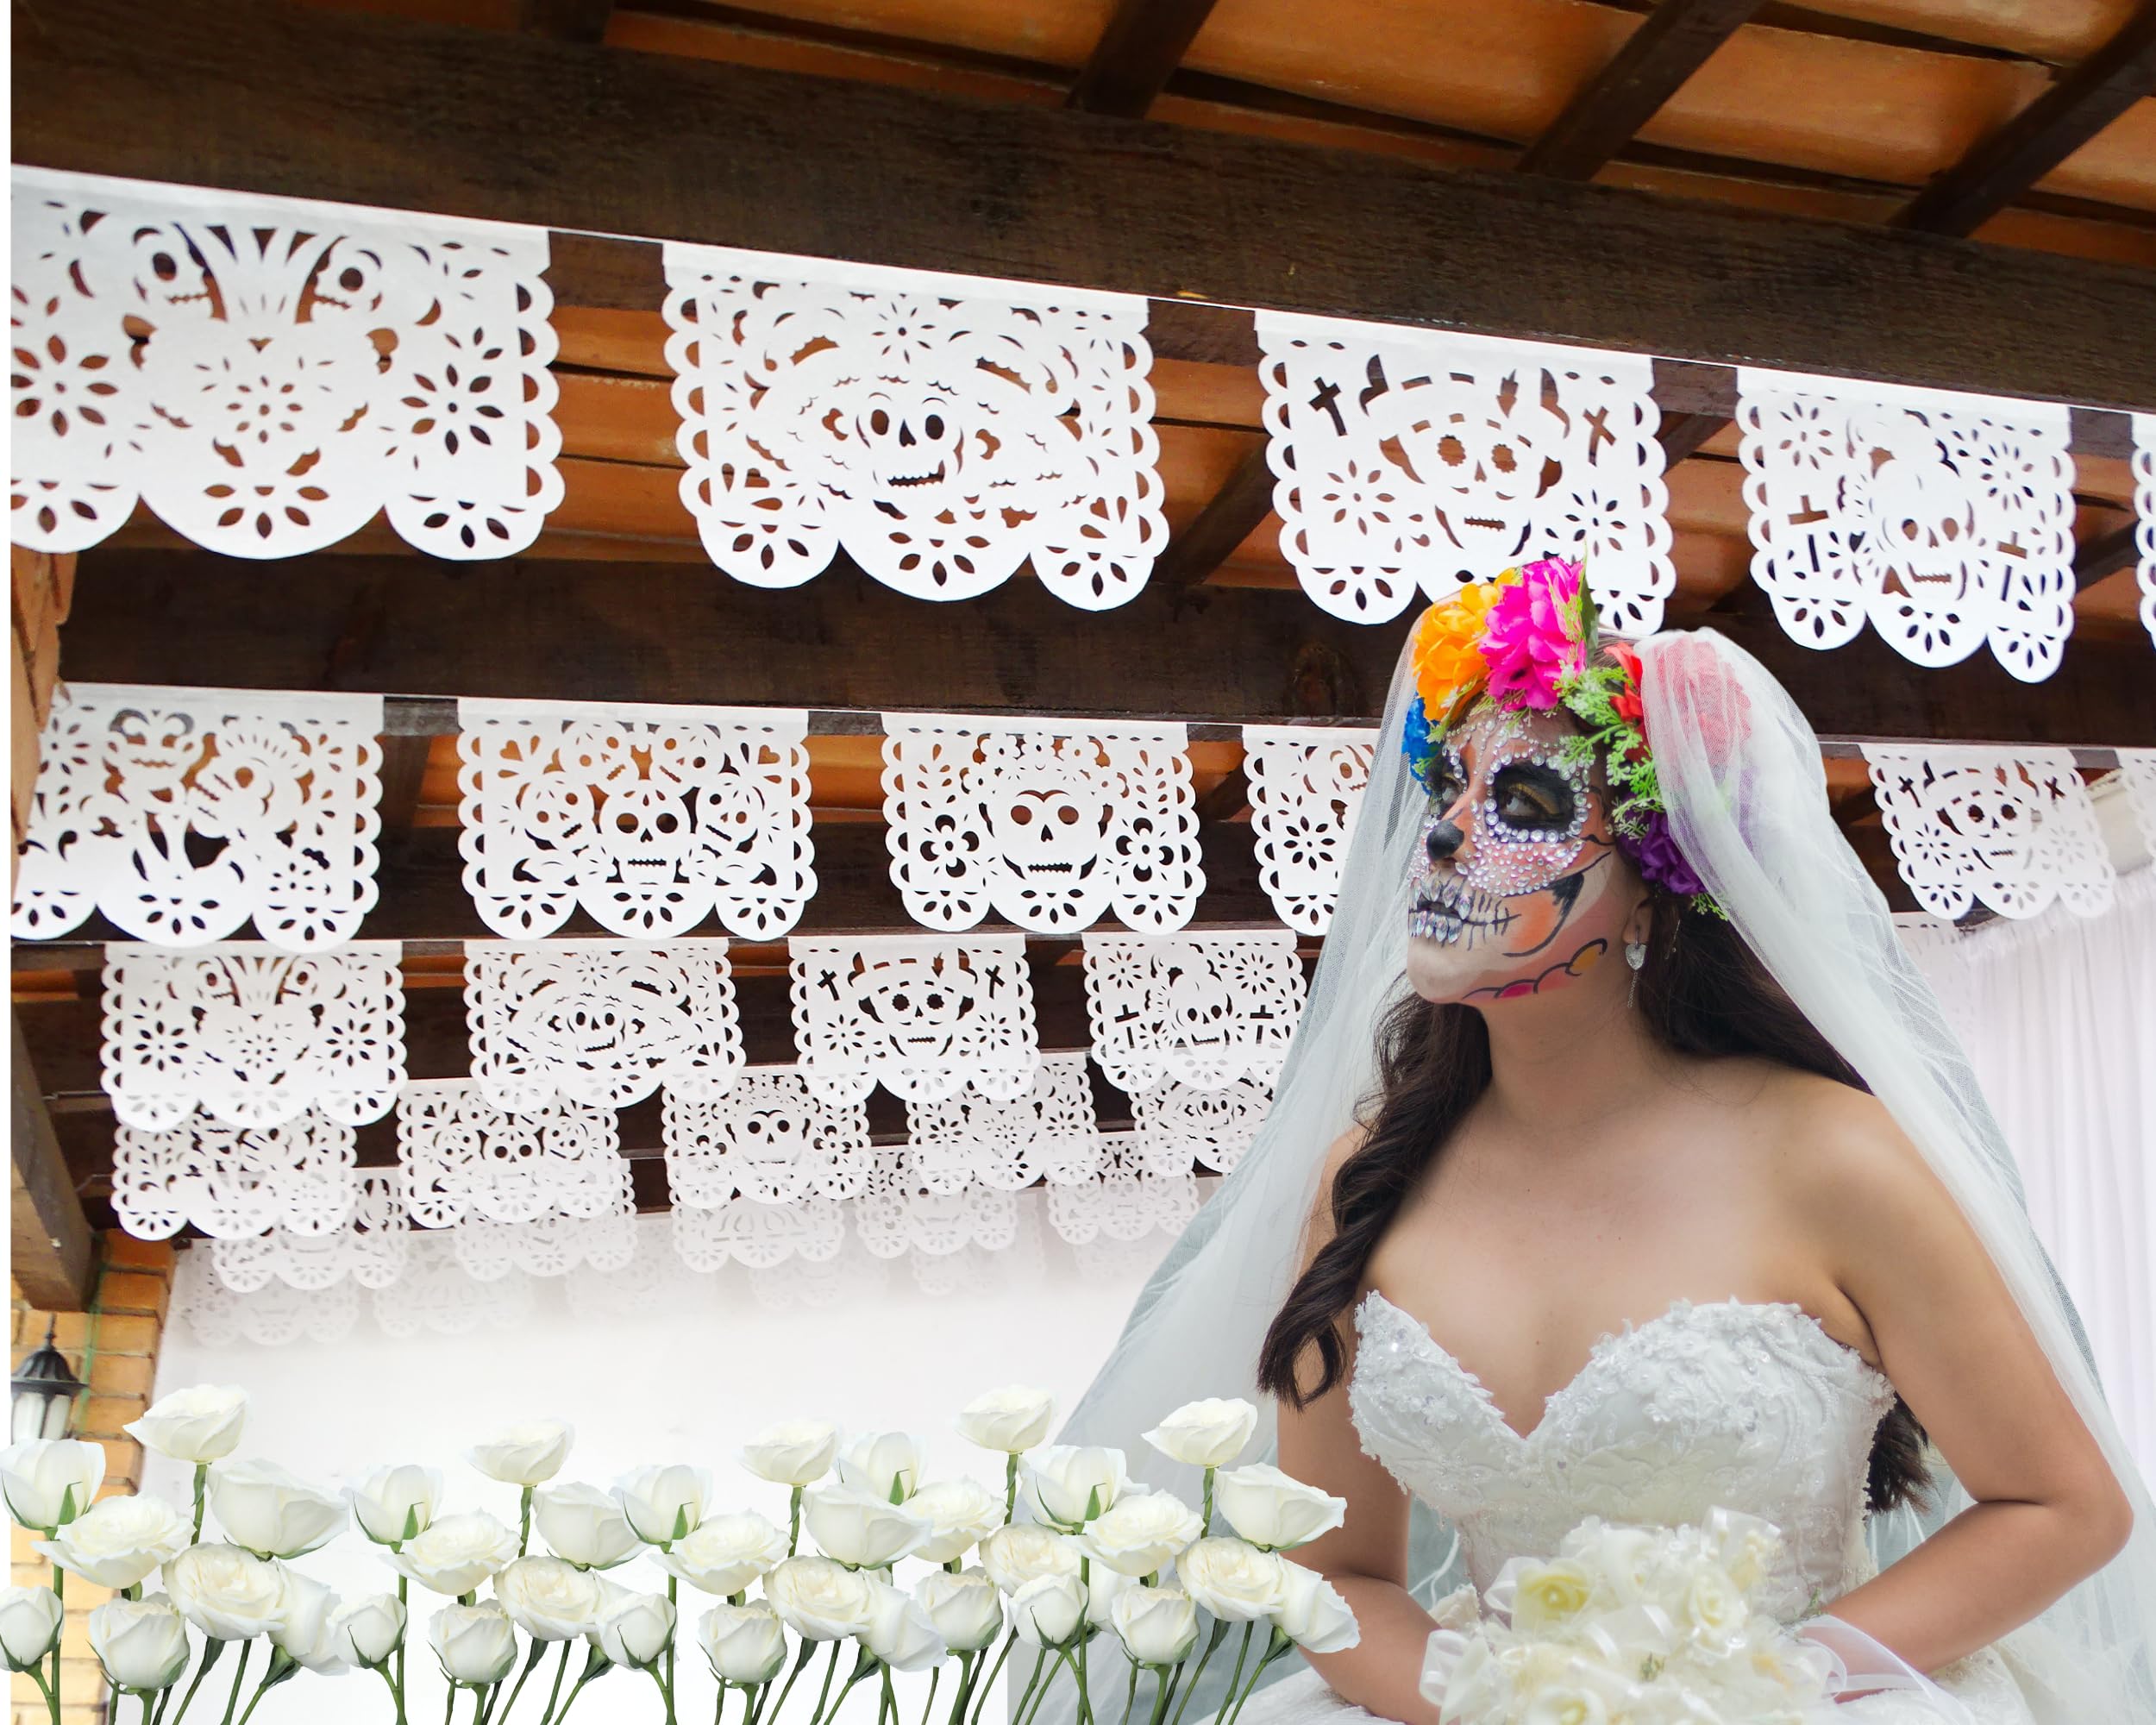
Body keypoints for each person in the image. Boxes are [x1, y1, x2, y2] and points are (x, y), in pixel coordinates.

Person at [1054, 559, 2153, 1724]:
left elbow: (2063, 1505)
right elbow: (1339, 1576)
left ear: (1654, 887)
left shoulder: (1831, 1154)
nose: (1446, 840)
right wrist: (1497, 1707)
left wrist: (1751, 1689)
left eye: (1524, 807)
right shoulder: (1366, 1184)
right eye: (1447, 794)